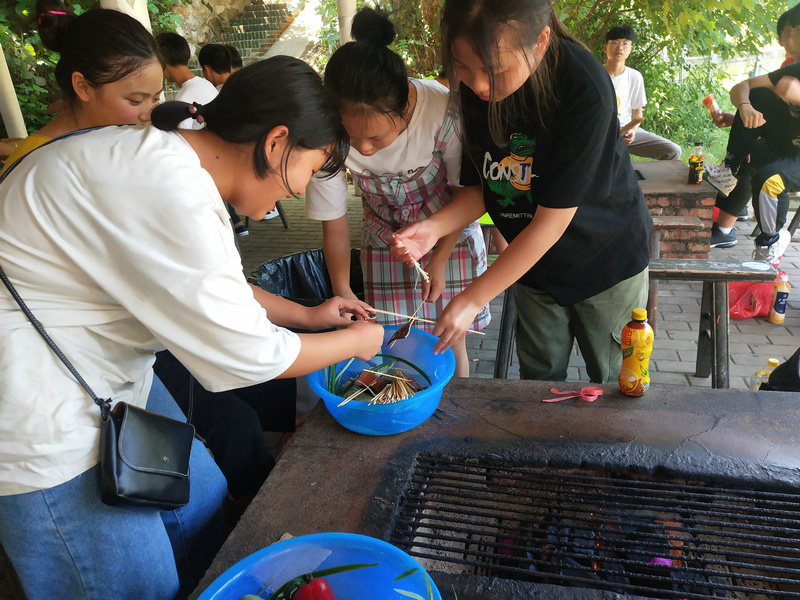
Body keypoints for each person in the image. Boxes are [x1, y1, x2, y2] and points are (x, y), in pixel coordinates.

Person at [0, 54, 384, 600]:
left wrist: (309, 315)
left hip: (104, 375)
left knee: (202, 501)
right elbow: (245, 357)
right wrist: (359, 342)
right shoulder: (166, 187)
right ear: (276, 144)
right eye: (308, 169)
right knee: (140, 585)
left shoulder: (175, 164)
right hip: (39, 414)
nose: (297, 192)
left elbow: (205, 283)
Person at [391, 0, 651, 383]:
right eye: (462, 66)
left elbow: (551, 222)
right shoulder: (476, 92)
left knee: (616, 383)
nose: (478, 84)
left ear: (541, 41)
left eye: (494, 71)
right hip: (530, 267)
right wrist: (433, 228)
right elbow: (488, 183)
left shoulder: (583, 85)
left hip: (605, 260)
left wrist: (474, 297)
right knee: (538, 383)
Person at [306, 6, 490, 377]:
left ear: (406, 104)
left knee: (450, 339)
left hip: (449, 236)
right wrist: (343, 289)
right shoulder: (327, 138)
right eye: (351, 137)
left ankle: (456, 413)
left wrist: (439, 257)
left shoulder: (442, 111)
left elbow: (465, 192)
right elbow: (335, 226)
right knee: (393, 345)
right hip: (385, 243)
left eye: (375, 137)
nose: (364, 148)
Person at [0, 5, 163, 177]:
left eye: (156, 98)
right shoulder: (36, 166)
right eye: (136, 101)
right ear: (82, 86)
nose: (149, 115)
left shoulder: (123, 139)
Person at [705, 64, 800, 265]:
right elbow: (743, 86)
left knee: (770, 177)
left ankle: (770, 240)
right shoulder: (796, 68)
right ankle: (729, 170)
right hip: (789, 145)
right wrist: (744, 110)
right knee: (756, 96)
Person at [602, 25, 682, 161]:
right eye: (615, 43)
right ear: (606, 48)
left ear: (630, 49)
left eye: (625, 44)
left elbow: (637, 114)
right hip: (601, 131)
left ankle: (654, 183)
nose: (620, 47)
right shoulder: (596, 74)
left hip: (625, 131)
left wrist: (632, 132)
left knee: (672, 151)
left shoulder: (634, 76)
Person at [156, 31, 218, 130]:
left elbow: (184, 140)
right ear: (187, 61)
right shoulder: (206, 84)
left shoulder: (183, 99)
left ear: (162, 63)